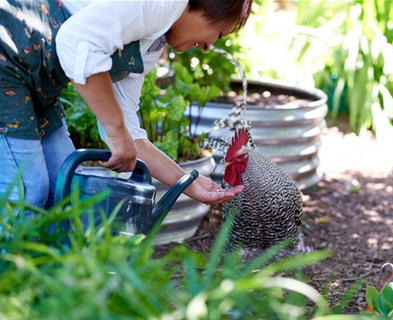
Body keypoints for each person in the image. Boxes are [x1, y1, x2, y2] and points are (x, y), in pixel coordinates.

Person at [0, 0, 250, 215]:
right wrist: (115, 129)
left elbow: (131, 135)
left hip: (34, 85)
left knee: (64, 188)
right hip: (7, 61)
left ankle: (50, 269)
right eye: (218, 34)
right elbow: (76, 41)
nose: (207, 46)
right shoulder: (162, 4)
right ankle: (14, 269)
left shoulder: (149, 46)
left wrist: (187, 183)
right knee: (27, 190)